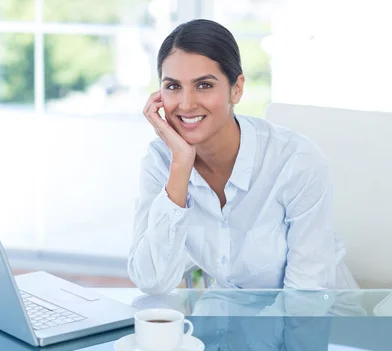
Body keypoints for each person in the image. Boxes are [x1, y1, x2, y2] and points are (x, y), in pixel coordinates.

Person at [127, 19, 358, 294]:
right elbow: (151, 282)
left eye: (204, 85)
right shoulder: (161, 161)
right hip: (238, 317)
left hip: (324, 320)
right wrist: (180, 165)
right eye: (173, 86)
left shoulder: (296, 161)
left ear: (236, 88)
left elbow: (305, 296)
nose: (186, 104)